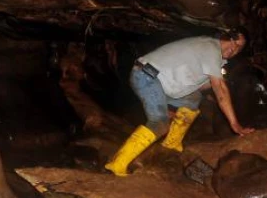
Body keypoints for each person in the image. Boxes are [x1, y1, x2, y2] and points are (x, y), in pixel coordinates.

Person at [105, 29, 254, 176]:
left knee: (193, 98)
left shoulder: (216, 58)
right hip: (147, 76)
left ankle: (172, 143)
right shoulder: (210, 47)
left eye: (239, 47)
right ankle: (117, 163)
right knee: (159, 123)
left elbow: (201, 86)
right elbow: (220, 88)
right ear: (223, 37)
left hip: (159, 82)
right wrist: (235, 124)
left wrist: (215, 88)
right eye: (233, 41)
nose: (234, 48)